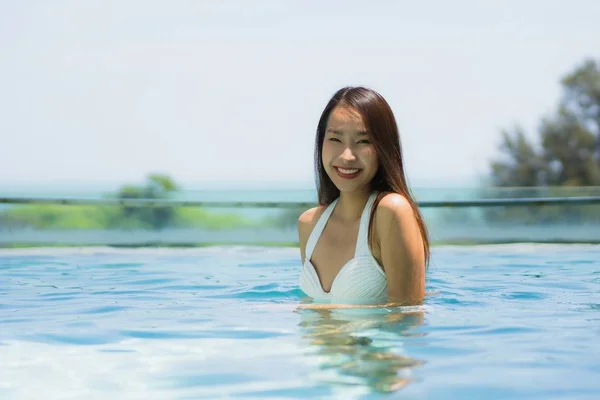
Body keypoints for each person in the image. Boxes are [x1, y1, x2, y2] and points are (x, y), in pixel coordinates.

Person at [297, 86, 430, 308]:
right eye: (335, 140)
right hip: (317, 343)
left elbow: (407, 316)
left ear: (383, 148)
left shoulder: (391, 212)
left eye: (363, 142)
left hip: (372, 343)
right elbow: (314, 310)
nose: (347, 156)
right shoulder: (310, 224)